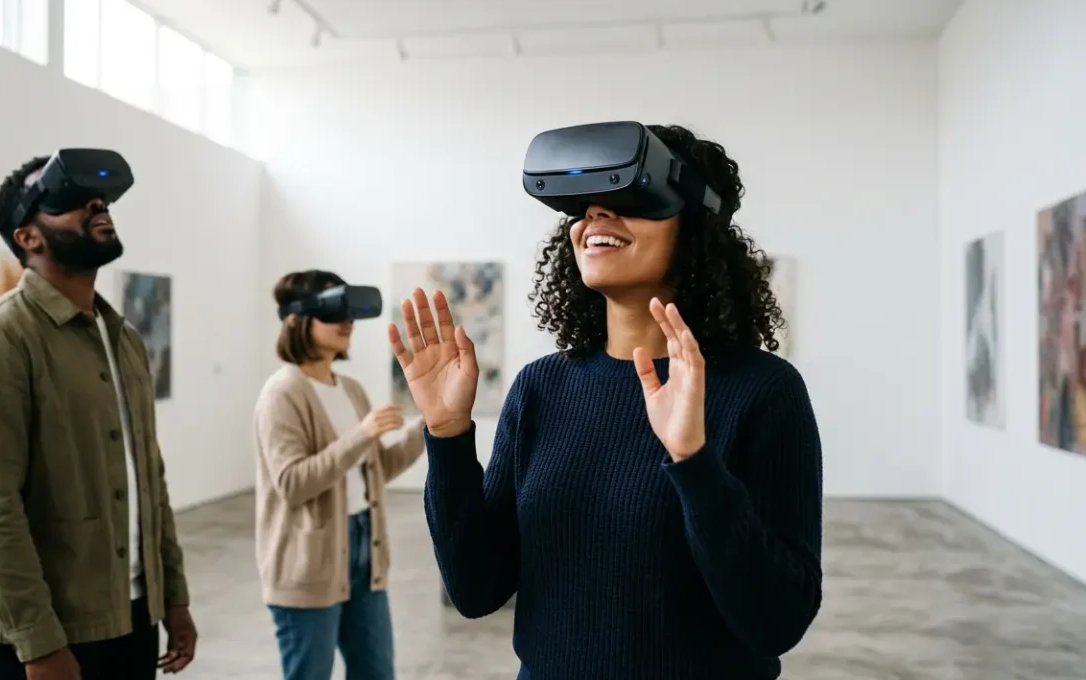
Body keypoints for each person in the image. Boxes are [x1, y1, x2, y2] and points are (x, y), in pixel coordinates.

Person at [388, 125, 824, 679]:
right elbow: (476, 589)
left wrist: (694, 462)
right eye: (585, 207)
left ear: (697, 227)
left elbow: (778, 621)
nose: (597, 216)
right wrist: (448, 434)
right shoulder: (541, 388)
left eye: (630, 200)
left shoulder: (762, 391)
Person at [0, 154, 197, 680]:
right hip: (54, 631)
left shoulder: (124, 339)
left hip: (133, 613)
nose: (97, 205)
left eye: (99, 199)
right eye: (70, 200)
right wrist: (38, 643)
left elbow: (149, 481)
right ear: (28, 238)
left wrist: (172, 596)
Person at [253, 270, 427, 680]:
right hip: (306, 563)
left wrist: (429, 425)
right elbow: (293, 484)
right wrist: (362, 434)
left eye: (350, 313)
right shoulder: (282, 393)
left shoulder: (350, 389)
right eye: (334, 311)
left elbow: (376, 472)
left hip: (366, 551)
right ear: (297, 319)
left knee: (376, 672)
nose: (347, 322)